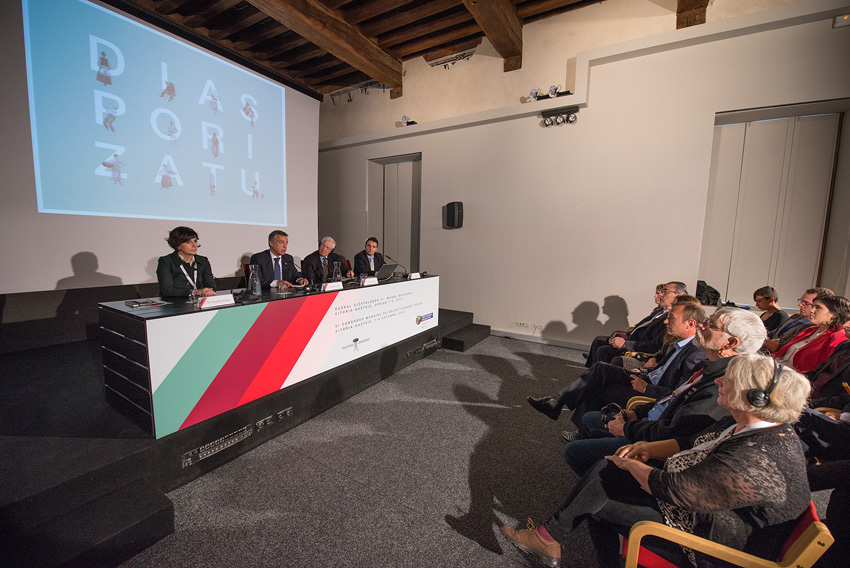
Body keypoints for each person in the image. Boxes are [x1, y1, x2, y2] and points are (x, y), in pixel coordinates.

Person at [501, 354, 812, 568]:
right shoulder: (753, 425)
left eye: (727, 380)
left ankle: (549, 538)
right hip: (703, 510)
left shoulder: (758, 456)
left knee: (601, 492)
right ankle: (550, 538)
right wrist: (646, 449)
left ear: (753, 397)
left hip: (713, 545)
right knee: (605, 471)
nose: (719, 383)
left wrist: (635, 465)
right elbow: (690, 443)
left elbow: (677, 491)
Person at [563, 306, 766, 477]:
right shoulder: (711, 367)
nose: (701, 325)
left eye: (711, 324)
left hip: (653, 443)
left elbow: (675, 434)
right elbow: (674, 397)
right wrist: (636, 413)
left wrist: (627, 428)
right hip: (648, 422)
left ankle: (610, 490)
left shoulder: (723, 385)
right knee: (591, 417)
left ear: (730, 343)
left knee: (573, 452)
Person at [527, 297, 706, 435]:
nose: (667, 321)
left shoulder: (695, 353)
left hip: (650, 390)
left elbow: (679, 394)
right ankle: (562, 408)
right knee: (601, 369)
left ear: (691, 323)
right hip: (646, 376)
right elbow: (662, 367)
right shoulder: (680, 342)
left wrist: (646, 389)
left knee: (598, 380)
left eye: (672, 318)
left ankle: (572, 419)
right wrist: (646, 370)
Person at [584, 282, 687, 367]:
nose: (660, 295)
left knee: (604, 350)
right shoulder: (660, 312)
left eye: (665, 292)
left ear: (678, 295)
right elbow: (643, 328)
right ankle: (589, 375)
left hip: (638, 348)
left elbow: (655, 345)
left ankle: (592, 379)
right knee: (599, 341)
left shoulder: (673, 320)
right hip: (633, 340)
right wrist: (627, 335)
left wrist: (625, 344)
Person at [773, 293, 850, 373]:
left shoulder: (837, 337)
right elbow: (781, 353)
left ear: (834, 315)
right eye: (813, 306)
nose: (811, 310)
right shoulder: (811, 330)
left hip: (796, 378)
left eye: (818, 307)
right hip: (778, 368)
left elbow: (822, 370)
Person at [763, 287, 832, 352]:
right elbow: (773, 333)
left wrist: (761, 337)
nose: (800, 305)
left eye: (806, 303)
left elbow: (782, 347)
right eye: (801, 301)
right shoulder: (796, 317)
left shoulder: (811, 328)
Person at [156, 226, 216, 298]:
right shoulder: (166, 261)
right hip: (176, 304)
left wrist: (208, 291)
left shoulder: (203, 260)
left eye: (195, 241)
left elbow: (211, 285)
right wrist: (195, 292)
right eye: (188, 242)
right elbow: (167, 289)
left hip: (200, 302)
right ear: (178, 245)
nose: (194, 245)